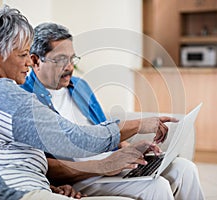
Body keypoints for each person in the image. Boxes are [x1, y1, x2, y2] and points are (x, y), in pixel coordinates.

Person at [0, 6, 164, 200]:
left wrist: (49, 186)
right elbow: (73, 139)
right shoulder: (2, 94)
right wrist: (140, 124)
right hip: (11, 192)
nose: (29, 62)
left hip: (22, 186)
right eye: (23, 55)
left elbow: (7, 156)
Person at [21, 22, 205, 200]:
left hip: (111, 162)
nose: (69, 67)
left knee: (185, 169)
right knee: (157, 187)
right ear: (36, 60)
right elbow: (43, 165)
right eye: (61, 60)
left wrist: (129, 149)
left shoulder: (80, 86)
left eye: (72, 59)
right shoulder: (25, 100)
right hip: (84, 175)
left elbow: (104, 131)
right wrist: (103, 165)